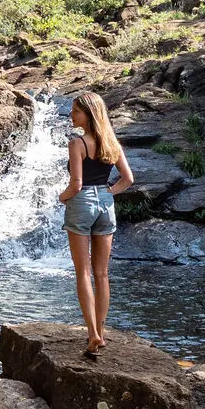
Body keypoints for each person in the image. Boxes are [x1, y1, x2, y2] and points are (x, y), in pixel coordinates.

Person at [59, 92, 133, 358]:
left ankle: (92, 334)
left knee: (83, 273)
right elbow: (128, 179)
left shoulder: (77, 143)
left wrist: (62, 197)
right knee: (102, 274)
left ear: (88, 115)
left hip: (82, 202)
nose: (71, 115)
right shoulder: (112, 142)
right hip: (105, 201)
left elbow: (76, 184)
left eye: (75, 111)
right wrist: (107, 194)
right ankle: (101, 330)